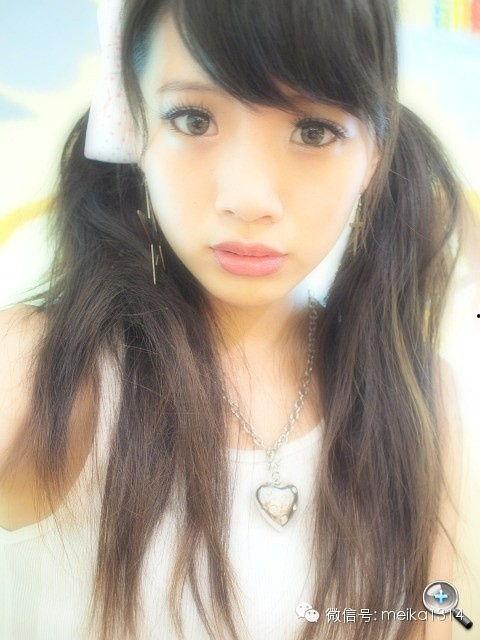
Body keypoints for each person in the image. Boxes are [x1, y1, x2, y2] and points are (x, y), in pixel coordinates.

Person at [1, 1, 479, 639]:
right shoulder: (41, 365)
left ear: (374, 154)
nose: (249, 199)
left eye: (314, 131)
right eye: (194, 119)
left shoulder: (421, 396)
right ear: (133, 127)